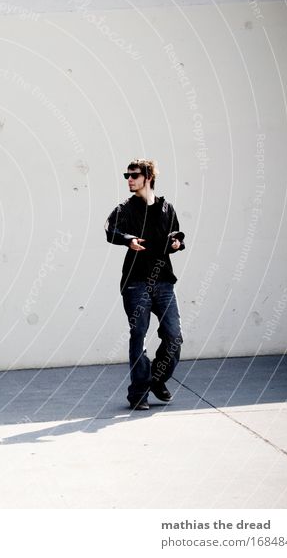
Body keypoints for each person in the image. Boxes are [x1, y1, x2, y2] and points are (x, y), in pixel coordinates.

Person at [104, 159, 185, 410]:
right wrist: (127, 239)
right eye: (126, 175)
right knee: (138, 335)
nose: (129, 179)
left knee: (173, 337)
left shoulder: (166, 208)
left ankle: (157, 380)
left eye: (134, 175)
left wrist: (176, 242)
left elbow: (175, 233)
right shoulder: (124, 209)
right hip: (135, 284)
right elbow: (110, 229)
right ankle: (138, 393)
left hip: (164, 282)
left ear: (148, 177)